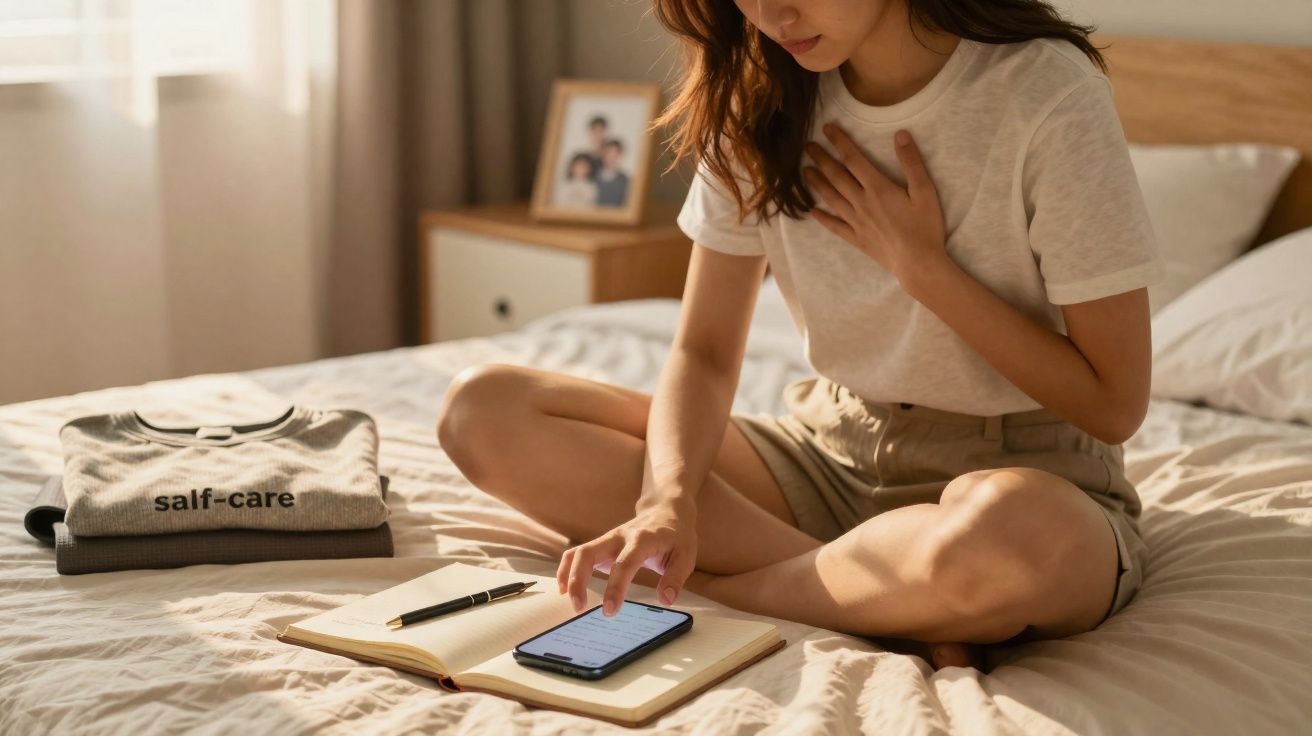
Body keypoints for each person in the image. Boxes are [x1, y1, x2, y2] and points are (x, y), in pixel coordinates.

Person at [436, 0, 1165, 673]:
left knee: (1013, 539)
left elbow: (1112, 404)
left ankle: (752, 587)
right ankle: (888, 598)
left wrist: (924, 269)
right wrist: (669, 499)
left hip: (1021, 466)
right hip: (830, 451)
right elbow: (704, 353)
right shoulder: (758, 93)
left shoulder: (1044, 91)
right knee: (485, 410)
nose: (771, 14)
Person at [594, 138, 630, 207]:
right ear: (602, 153)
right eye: (608, 152)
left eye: (615, 153)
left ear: (620, 155)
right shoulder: (593, 175)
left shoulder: (624, 180)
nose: (611, 156)